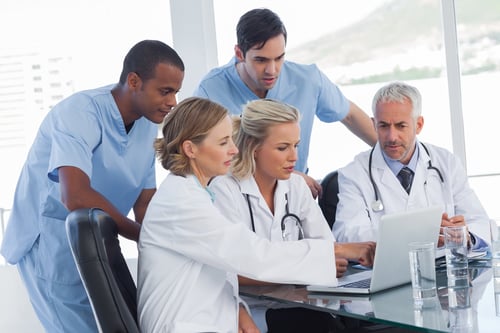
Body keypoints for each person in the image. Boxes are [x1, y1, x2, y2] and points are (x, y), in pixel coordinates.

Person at [0, 40, 185, 332]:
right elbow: (74, 195)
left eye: (176, 92)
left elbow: (145, 202)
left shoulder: (148, 125)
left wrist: (166, 246)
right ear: (134, 81)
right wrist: (142, 236)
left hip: (99, 240)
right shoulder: (80, 112)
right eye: (165, 91)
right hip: (50, 241)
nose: (172, 101)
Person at [137, 97, 344, 333]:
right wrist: (338, 251)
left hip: (209, 320)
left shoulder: (195, 193)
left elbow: (220, 272)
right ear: (190, 149)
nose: (235, 150)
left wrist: (239, 310)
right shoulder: (181, 201)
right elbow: (253, 256)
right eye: (224, 142)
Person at [208, 98, 376, 332]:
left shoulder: (296, 186)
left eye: (296, 145)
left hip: (303, 304)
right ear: (254, 147)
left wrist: (313, 263)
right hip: (251, 310)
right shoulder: (224, 190)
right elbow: (232, 271)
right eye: (282, 147)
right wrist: (309, 265)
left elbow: (327, 252)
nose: (294, 157)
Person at [193, 8, 377, 198]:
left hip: (296, 197)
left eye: (279, 58)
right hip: (233, 197)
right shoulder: (210, 90)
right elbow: (200, 158)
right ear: (239, 53)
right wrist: (288, 176)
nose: (272, 70)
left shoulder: (308, 79)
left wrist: (402, 156)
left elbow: (350, 115)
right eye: (261, 60)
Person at [333, 81, 490, 250]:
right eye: (384, 126)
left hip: (444, 268)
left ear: (419, 125)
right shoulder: (353, 174)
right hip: (386, 273)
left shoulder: (447, 163)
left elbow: (479, 222)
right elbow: (347, 234)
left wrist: (466, 236)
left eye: (401, 126)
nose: (392, 136)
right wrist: (421, 233)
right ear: (374, 124)